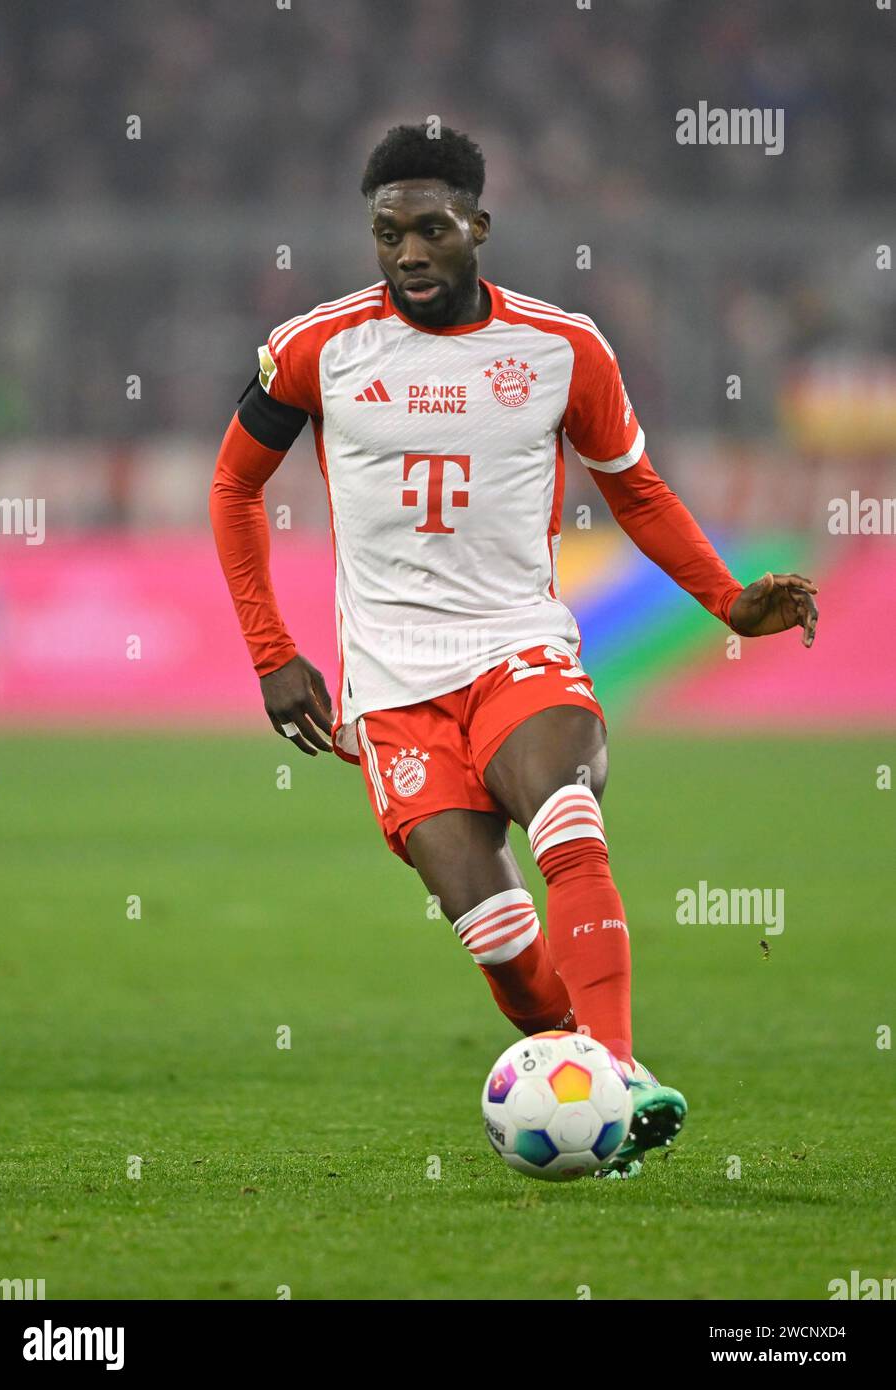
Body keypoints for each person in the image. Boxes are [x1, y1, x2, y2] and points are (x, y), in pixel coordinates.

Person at [210, 124, 818, 1177]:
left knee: (567, 818)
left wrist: (725, 600)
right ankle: (588, 1077)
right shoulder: (317, 348)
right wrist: (270, 650)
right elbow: (233, 487)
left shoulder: (559, 348)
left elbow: (632, 483)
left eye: (430, 229)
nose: (406, 252)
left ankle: (616, 1077)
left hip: (515, 647)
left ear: (477, 228)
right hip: (393, 684)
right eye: (386, 232)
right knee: (489, 925)